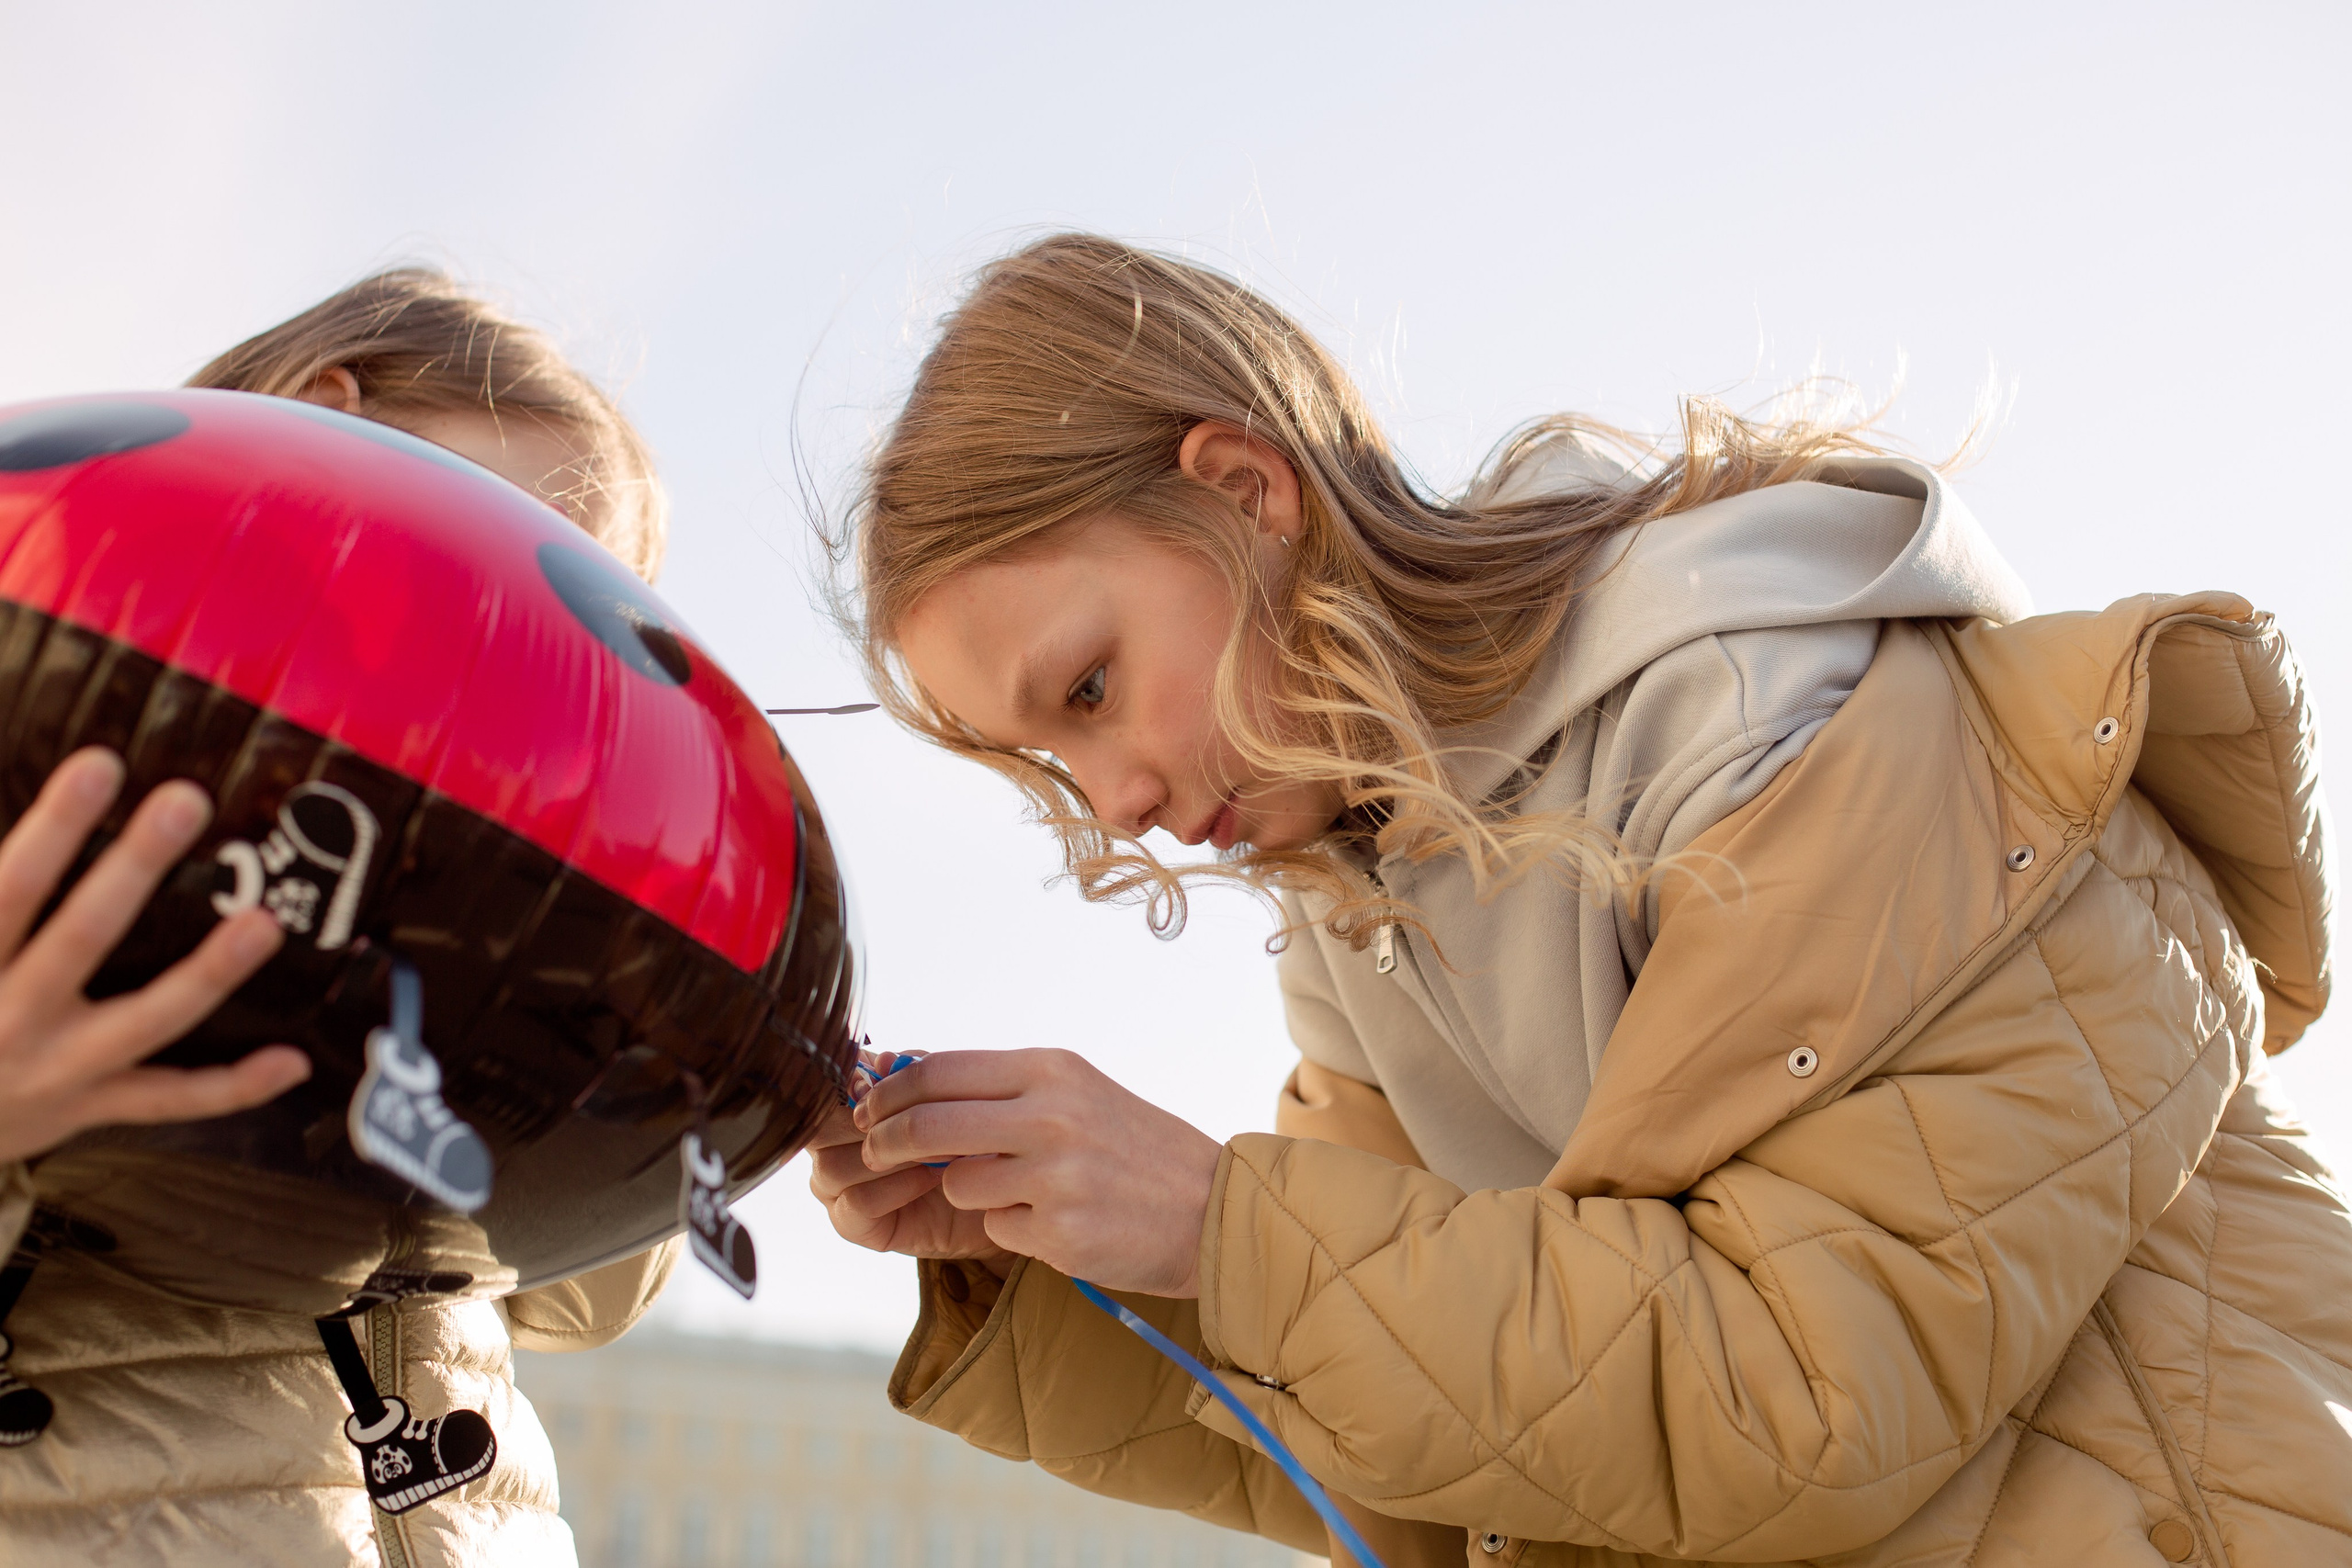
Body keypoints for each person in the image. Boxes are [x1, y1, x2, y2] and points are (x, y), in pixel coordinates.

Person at [811, 234, 2346, 1566]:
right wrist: (1049, 1254)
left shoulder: (1786, 714)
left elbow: (1803, 1393)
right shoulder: (1369, 929)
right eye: (1052, 762)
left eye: (1089, 689)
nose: (1114, 804)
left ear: (1245, 493)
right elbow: (1457, 1465)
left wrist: (1218, 1226)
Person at [0, 268, 678, 1568]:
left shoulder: (447, 874)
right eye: (499, 549)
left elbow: (570, 1294)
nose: (530, 646)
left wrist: (637, 1057)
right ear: (326, 427)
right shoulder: (46, 725)